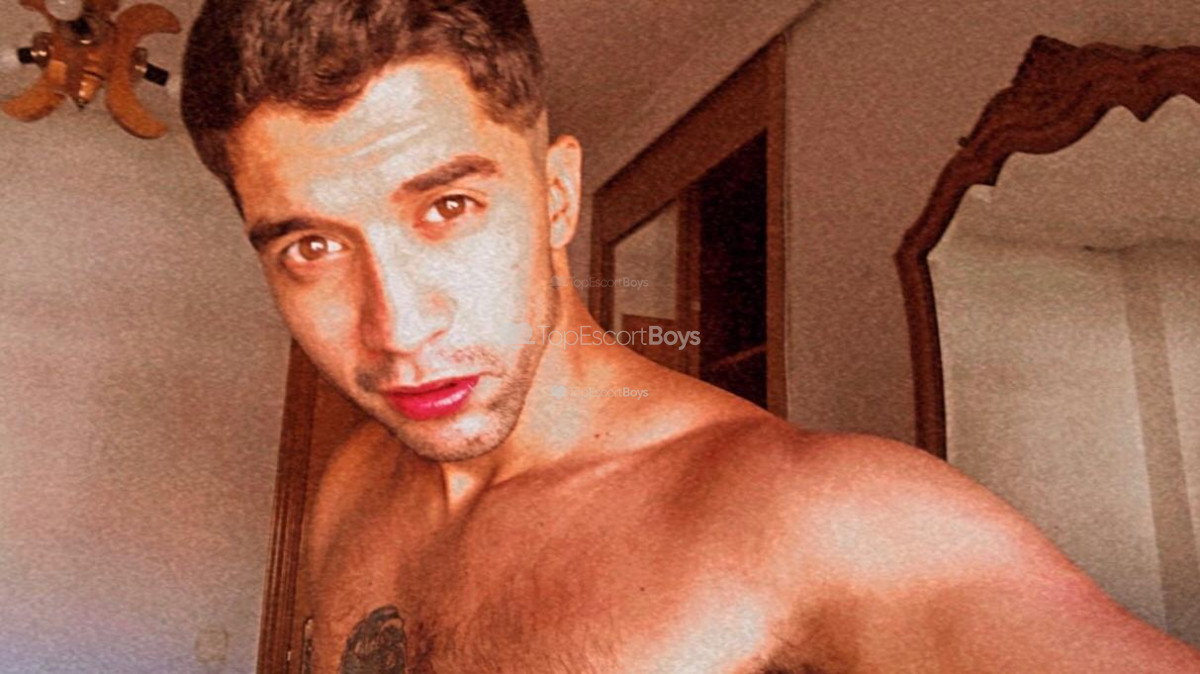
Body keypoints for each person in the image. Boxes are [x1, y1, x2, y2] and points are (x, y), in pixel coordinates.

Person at [181, 1, 1200, 671]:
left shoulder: (819, 518)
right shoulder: (353, 486)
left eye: (447, 208)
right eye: (311, 245)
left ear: (558, 195)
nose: (399, 327)